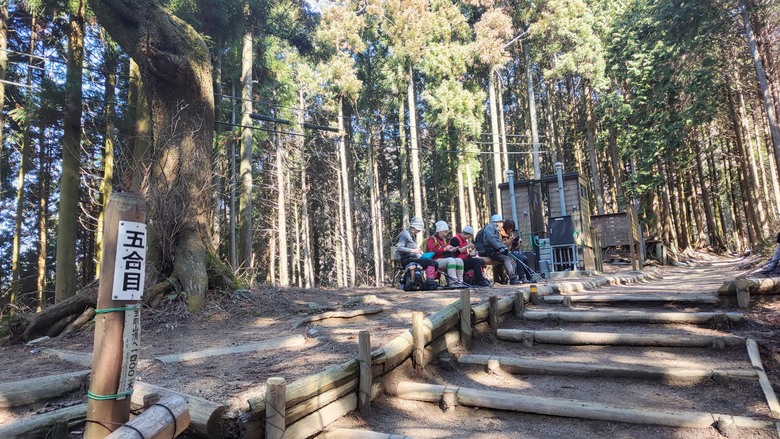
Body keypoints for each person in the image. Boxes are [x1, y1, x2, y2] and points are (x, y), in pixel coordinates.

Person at [476, 214, 520, 285]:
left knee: (511, 258)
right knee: (506, 259)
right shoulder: (490, 227)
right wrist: (500, 247)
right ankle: (512, 278)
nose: (501, 224)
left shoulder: (495, 229)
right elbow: (491, 239)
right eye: (500, 222)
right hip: (491, 251)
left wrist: (504, 247)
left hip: (496, 250)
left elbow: (498, 241)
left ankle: (513, 277)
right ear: (497, 222)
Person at [426, 221, 465, 286]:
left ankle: (460, 281)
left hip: (443, 259)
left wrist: (451, 249)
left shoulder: (442, 240)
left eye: (446, 232)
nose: (446, 234)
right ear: (439, 231)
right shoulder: (432, 239)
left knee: (459, 260)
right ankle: (453, 282)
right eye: (444, 232)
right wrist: (444, 249)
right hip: (434, 260)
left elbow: (444, 251)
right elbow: (431, 251)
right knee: (451, 260)